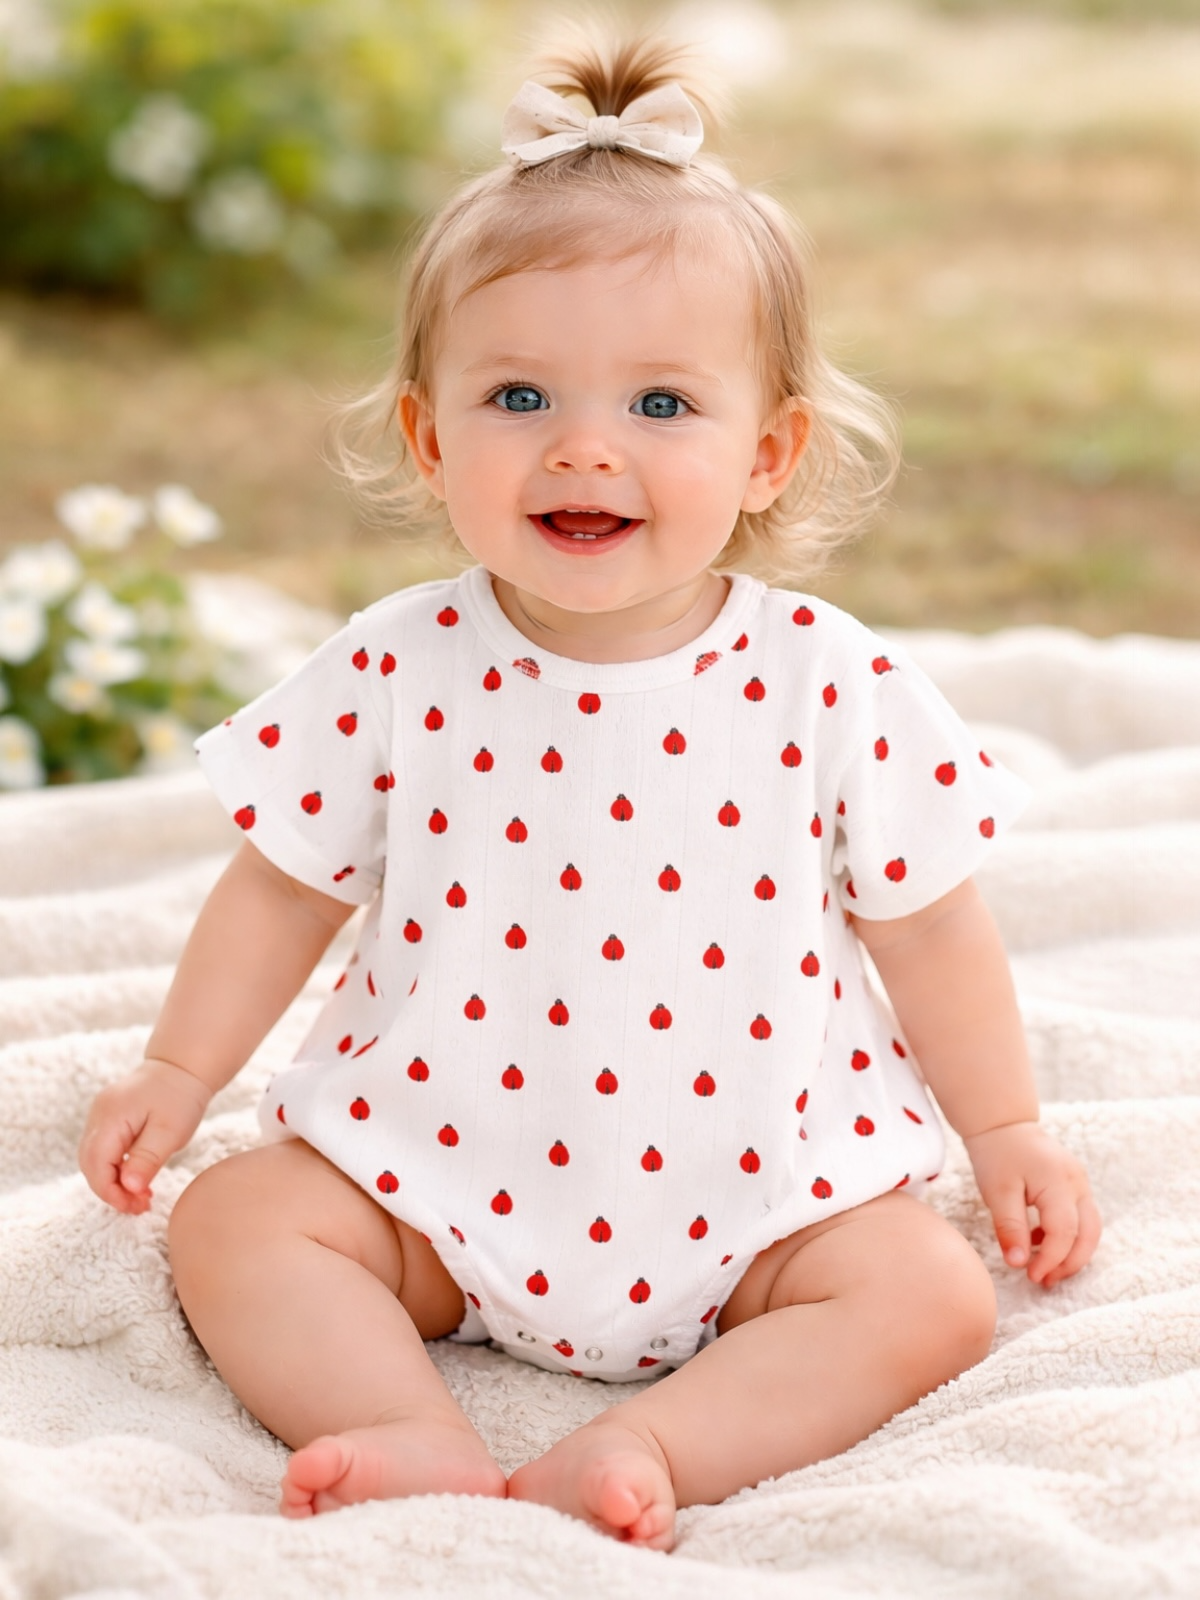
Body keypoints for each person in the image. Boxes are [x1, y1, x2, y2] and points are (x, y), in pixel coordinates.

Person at [78, 35, 1102, 1552]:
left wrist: (1006, 1127)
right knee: (238, 1221)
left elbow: (931, 926)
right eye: (518, 395)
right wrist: (178, 1072)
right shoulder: (398, 665)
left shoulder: (828, 678)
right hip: (434, 1174)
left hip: (763, 1195)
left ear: (770, 453)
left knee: (929, 1289)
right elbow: (283, 883)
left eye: (662, 409)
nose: (583, 446)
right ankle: (405, 1427)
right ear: (431, 439)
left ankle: (650, 1445)